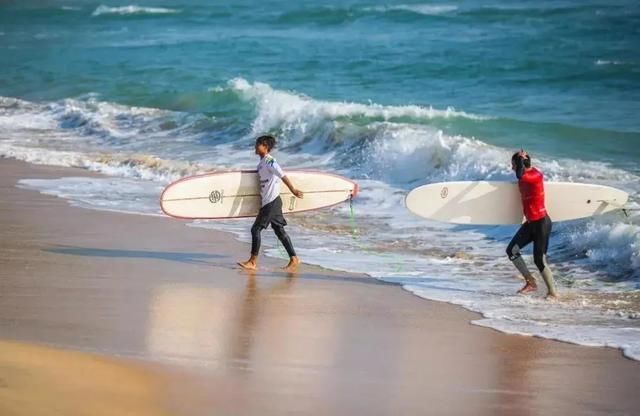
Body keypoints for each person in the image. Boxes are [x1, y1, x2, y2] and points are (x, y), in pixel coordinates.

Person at [238, 135, 303, 272]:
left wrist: (293, 189)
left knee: (255, 229)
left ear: (265, 147)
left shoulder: (270, 161)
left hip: (272, 202)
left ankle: (253, 261)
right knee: (279, 230)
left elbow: (282, 175)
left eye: (258, 144)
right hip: (270, 201)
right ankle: (294, 258)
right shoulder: (261, 163)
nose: (255, 147)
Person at [506, 150, 558, 298]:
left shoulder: (533, 177)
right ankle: (531, 282)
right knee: (512, 251)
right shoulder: (529, 174)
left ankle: (553, 293)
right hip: (530, 224)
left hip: (542, 223)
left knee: (539, 260)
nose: (512, 168)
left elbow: (520, 175)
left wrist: (520, 162)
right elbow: (520, 174)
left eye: (513, 165)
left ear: (520, 165)